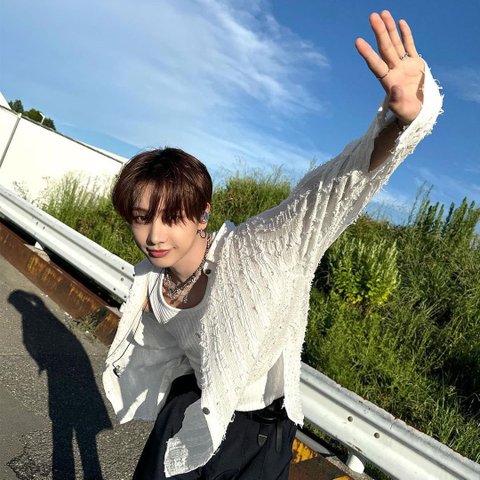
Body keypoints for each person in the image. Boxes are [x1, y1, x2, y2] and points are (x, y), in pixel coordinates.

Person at [102, 10, 443, 479]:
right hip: (193, 409)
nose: (155, 236)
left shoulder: (261, 248)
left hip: (261, 434)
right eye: (141, 219)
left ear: (202, 215)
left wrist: (400, 124)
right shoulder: (150, 284)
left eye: (172, 217)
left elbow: (328, 191)